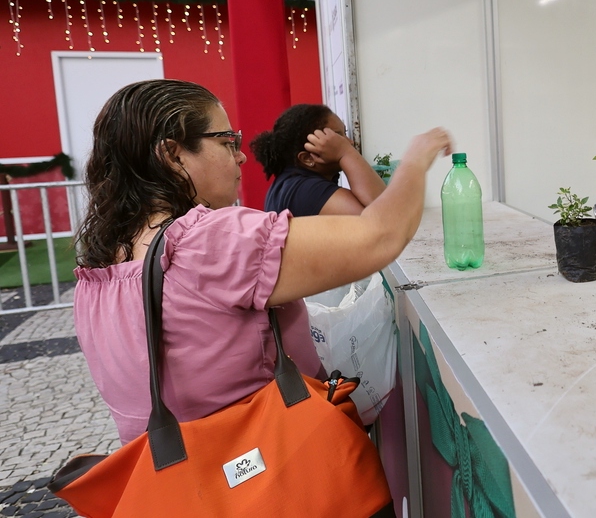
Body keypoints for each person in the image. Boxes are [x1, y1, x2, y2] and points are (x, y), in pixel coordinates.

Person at [72, 79, 452, 448]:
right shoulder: (207, 242)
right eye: (226, 141)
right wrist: (417, 158)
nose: (238, 154)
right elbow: (379, 236)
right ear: (173, 154)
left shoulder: (97, 272)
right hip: (272, 475)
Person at [250, 103, 386, 217]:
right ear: (307, 158)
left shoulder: (290, 183)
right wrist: (345, 153)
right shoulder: (305, 190)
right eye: (337, 137)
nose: (349, 142)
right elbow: (385, 216)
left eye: (344, 134)